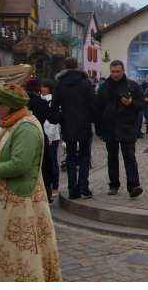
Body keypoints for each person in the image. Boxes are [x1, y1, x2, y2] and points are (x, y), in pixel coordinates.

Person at [0, 84, 62, 281]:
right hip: (9, 198)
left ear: (10, 105)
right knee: (7, 249)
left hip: (21, 200)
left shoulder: (26, 127)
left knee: (21, 252)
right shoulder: (12, 122)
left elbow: (20, 165)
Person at [95, 60, 145, 197]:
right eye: (113, 71)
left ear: (123, 71)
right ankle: (114, 185)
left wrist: (131, 103)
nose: (115, 74)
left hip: (127, 127)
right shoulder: (104, 87)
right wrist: (99, 129)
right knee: (112, 158)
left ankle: (133, 185)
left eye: (118, 71)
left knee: (129, 157)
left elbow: (141, 104)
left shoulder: (132, 86)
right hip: (109, 127)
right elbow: (98, 109)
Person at [51, 57, 96, 200]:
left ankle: (72, 189)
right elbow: (92, 104)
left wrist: (60, 118)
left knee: (70, 156)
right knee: (84, 156)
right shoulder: (85, 83)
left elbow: (54, 107)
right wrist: (92, 119)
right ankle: (84, 186)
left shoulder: (60, 84)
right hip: (84, 124)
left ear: (65, 67)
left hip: (67, 124)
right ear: (77, 66)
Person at [25, 77, 54, 203]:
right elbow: (52, 118)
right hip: (39, 134)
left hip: (23, 136)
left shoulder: (21, 102)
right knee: (44, 166)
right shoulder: (41, 102)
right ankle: (46, 194)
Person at [41, 79, 60, 197]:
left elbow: (52, 121)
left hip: (51, 135)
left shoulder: (51, 100)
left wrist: (51, 136)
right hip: (45, 134)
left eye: (45, 87)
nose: (42, 89)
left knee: (52, 160)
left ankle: (55, 185)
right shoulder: (41, 99)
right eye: (42, 86)